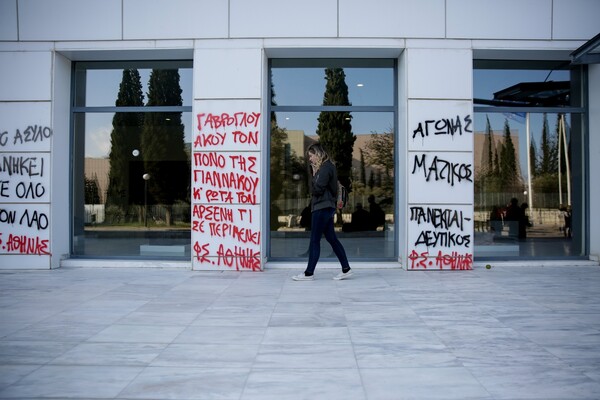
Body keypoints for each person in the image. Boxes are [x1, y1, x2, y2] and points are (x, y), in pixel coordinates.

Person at [292, 143, 352, 281]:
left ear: (318, 154)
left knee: (314, 240)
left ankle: (309, 273)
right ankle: (346, 269)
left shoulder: (325, 168)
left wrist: (314, 175)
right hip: (326, 207)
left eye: (311, 156)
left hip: (322, 207)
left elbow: (317, 189)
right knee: (332, 239)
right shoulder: (327, 167)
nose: (310, 159)